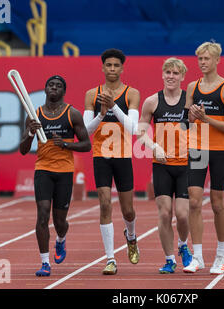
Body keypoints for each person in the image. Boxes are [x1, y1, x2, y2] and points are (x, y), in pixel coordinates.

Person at [19, 75, 91, 277]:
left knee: (60, 221)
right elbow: (23, 150)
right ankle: (44, 262)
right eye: (51, 85)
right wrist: (30, 134)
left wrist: (66, 144)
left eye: (58, 86)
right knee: (42, 214)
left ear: (63, 91)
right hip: (43, 169)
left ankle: (61, 240)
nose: (54, 88)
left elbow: (86, 145)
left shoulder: (72, 114)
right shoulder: (35, 115)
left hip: (64, 172)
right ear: (45, 88)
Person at [83, 48, 140, 275]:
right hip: (101, 155)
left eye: (117, 65)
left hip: (123, 156)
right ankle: (110, 259)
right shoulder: (91, 94)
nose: (113, 69)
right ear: (103, 68)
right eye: (109, 65)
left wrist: (114, 107)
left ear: (122, 68)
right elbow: (86, 131)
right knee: (105, 204)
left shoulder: (131, 93)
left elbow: (134, 129)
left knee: (128, 211)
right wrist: (101, 112)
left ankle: (132, 237)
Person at [182, 42, 224, 274]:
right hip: (197, 148)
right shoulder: (193, 87)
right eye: (200, 59)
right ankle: (198, 257)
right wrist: (192, 117)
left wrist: (207, 119)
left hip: (218, 150)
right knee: (194, 202)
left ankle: (221, 255)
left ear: (217, 60)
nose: (203, 62)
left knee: (216, 204)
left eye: (206, 58)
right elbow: (185, 122)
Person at [137, 57, 193, 274]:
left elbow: (200, 130)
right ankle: (170, 259)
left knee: (182, 215)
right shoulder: (152, 102)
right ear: (162, 74)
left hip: (185, 164)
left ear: (182, 77)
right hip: (161, 165)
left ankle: (182, 246)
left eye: (175, 73)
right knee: (164, 214)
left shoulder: (190, 101)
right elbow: (141, 133)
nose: (171, 76)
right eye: (167, 72)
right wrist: (154, 146)